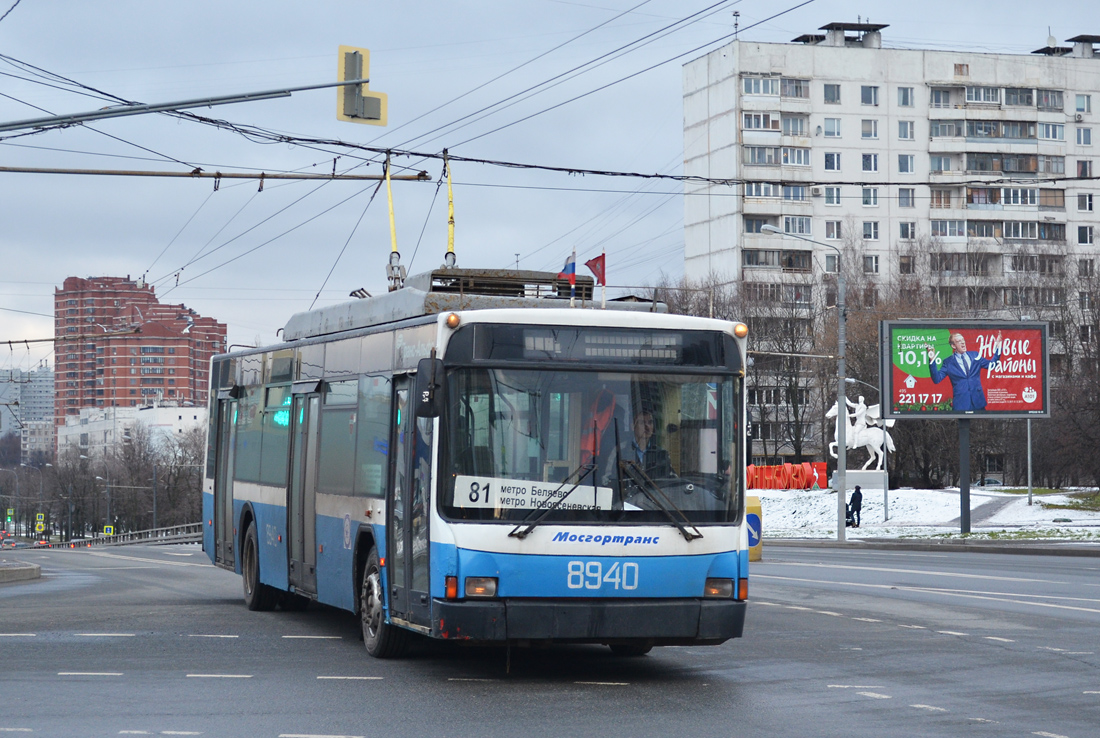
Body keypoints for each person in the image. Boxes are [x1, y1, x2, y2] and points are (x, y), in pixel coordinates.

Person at [927, 332, 1002, 412]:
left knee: (981, 424)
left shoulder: (975, 355)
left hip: (978, 403)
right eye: (959, 341)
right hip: (961, 404)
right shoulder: (948, 362)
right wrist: (932, 361)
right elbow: (936, 379)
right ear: (953, 346)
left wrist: (998, 348)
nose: (963, 342)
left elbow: (992, 365)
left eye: (963, 340)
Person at [623, 409, 674, 479]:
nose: (647, 427)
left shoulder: (662, 454)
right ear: (633, 426)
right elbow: (609, 480)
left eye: (650, 423)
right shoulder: (621, 451)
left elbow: (672, 481)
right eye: (642, 423)